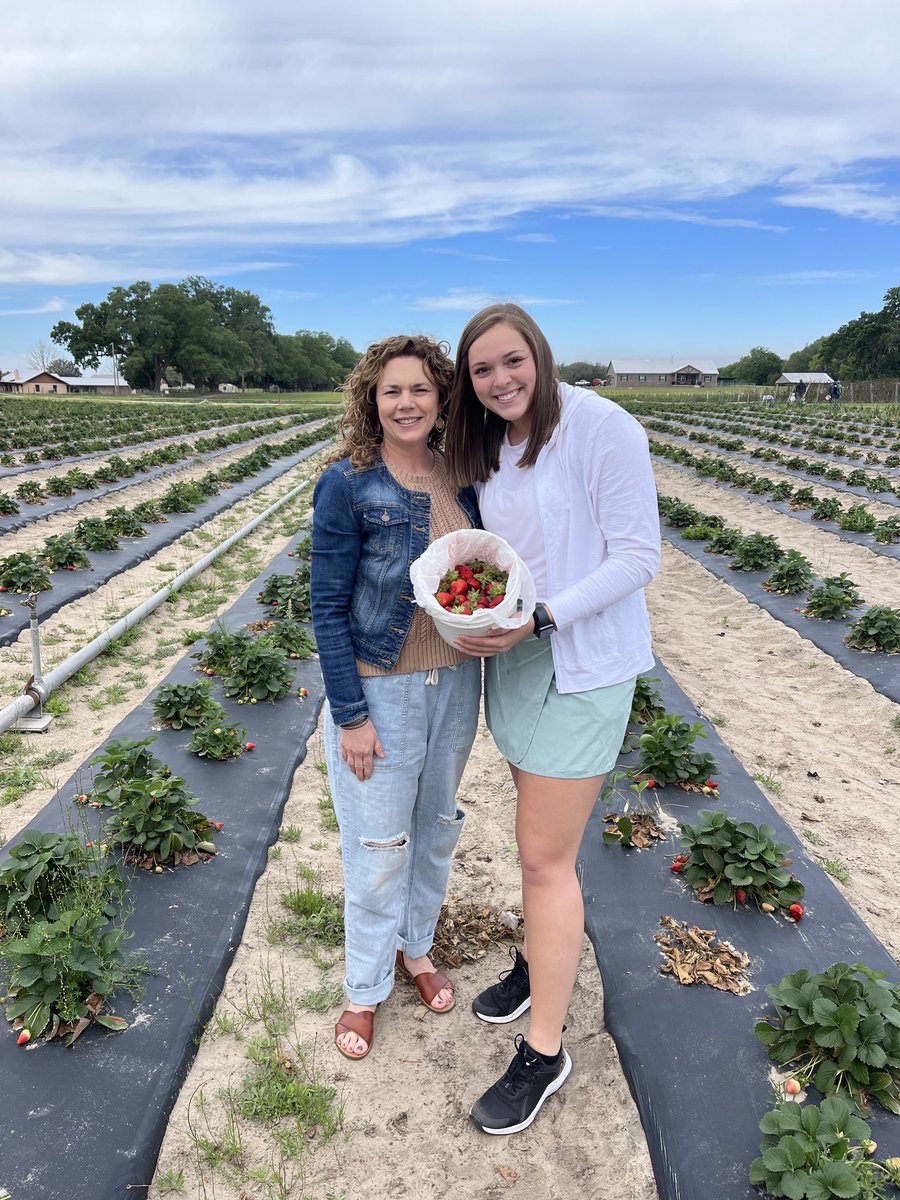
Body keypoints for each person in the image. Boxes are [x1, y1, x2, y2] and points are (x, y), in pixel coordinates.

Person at [445, 303, 661, 1135]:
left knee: (544, 856)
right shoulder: (488, 444)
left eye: (511, 362)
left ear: (538, 353)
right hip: (516, 654)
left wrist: (540, 618)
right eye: (482, 370)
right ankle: (539, 965)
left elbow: (638, 555)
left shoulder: (602, 428)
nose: (499, 381)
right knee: (533, 839)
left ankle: (544, 1051)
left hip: (581, 660)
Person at [310, 334, 482, 1060]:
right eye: (391, 390)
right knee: (379, 846)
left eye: (420, 388)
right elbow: (324, 605)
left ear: (442, 398)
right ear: (371, 401)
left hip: (457, 686)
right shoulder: (348, 483)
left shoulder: (464, 476)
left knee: (436, 828)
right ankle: (363, 987)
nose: (406, 402)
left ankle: (416, 949)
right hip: (381, 693)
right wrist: (350, 714)